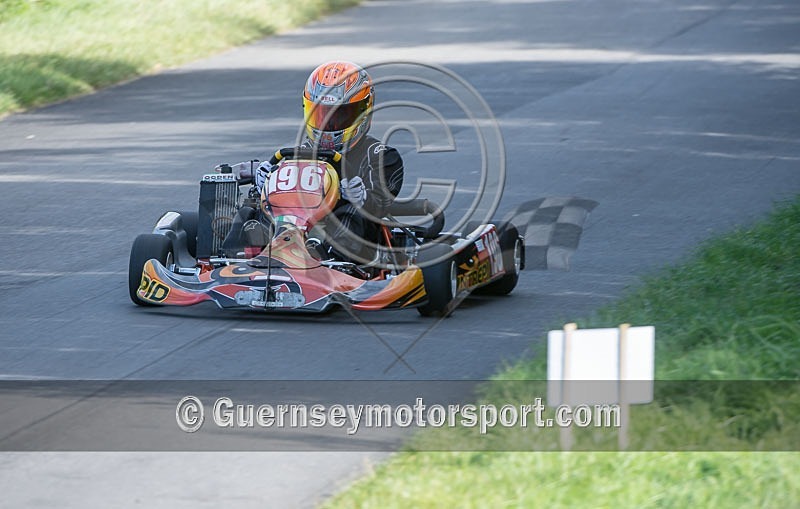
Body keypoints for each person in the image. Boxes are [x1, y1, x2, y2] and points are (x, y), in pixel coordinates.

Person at [222, 61, 404, 262]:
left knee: (352, 213)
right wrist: (265, 185)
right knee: (251, 210)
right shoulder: (294, 156)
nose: (328, 124)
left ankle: (328, 261)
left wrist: (361, 198)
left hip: (350, 245)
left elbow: (380, 206)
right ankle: (234, 261)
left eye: (339, 115)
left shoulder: (382, 157)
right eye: (320, 114)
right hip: (293, 227)